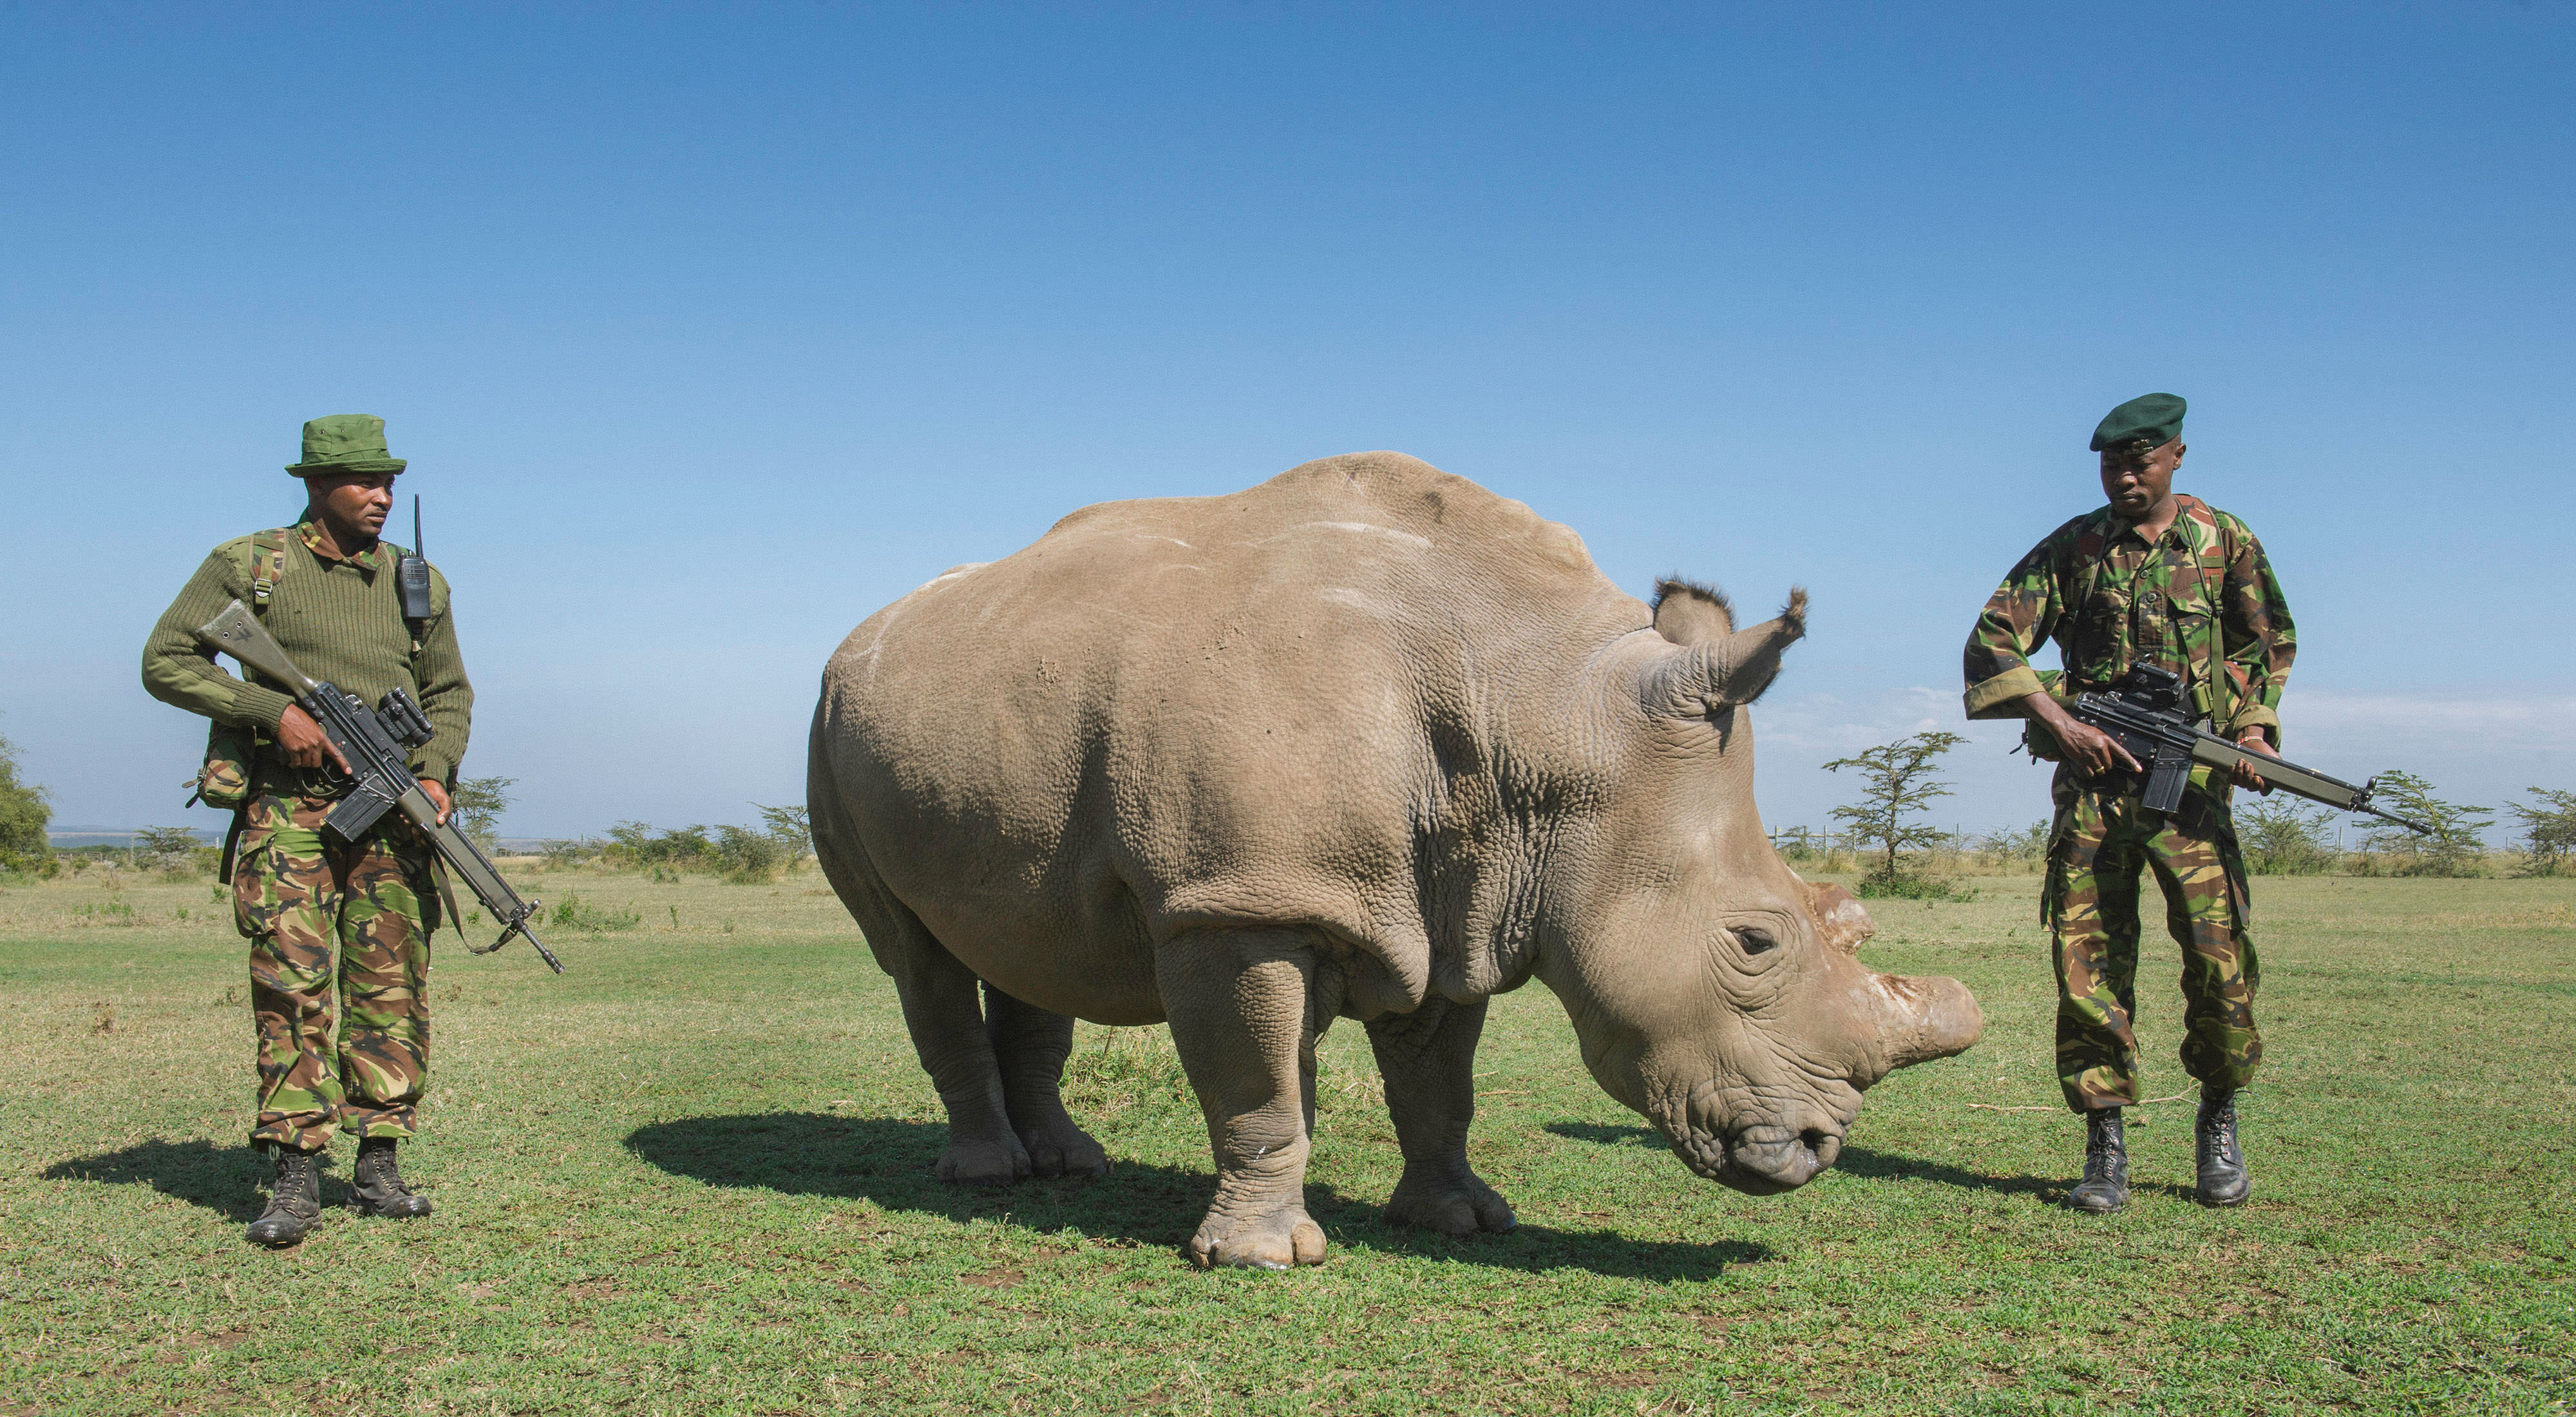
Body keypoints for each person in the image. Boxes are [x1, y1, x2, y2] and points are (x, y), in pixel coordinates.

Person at [1961, 393, 2296, 1213]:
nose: (2123, 478)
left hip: (2191, 797)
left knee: (2219, 967)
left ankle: (2217, 1120)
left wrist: (2252, 731)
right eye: (2111, 465)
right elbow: (1992, 637)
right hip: (2093, 796)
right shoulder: (2075, 546)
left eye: (2139, 462)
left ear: (2176, 456)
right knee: (2088, 967)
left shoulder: (2225, 542)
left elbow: (2266, 640)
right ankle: (2103, 1143)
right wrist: (2058, 720)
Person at [142, 415, 470, 1246]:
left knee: (391, 983)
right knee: (291, 985)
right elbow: (167, 659)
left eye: (390, 482)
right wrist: (271, 709)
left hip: (392, 811)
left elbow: (450, 695)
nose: (382, 496)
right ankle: (293, 1177)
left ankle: (380, 1162)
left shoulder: (415, 581)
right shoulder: (249, 566)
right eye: (365, 481)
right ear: (316, 485)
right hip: (287, 808)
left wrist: (434, 771)